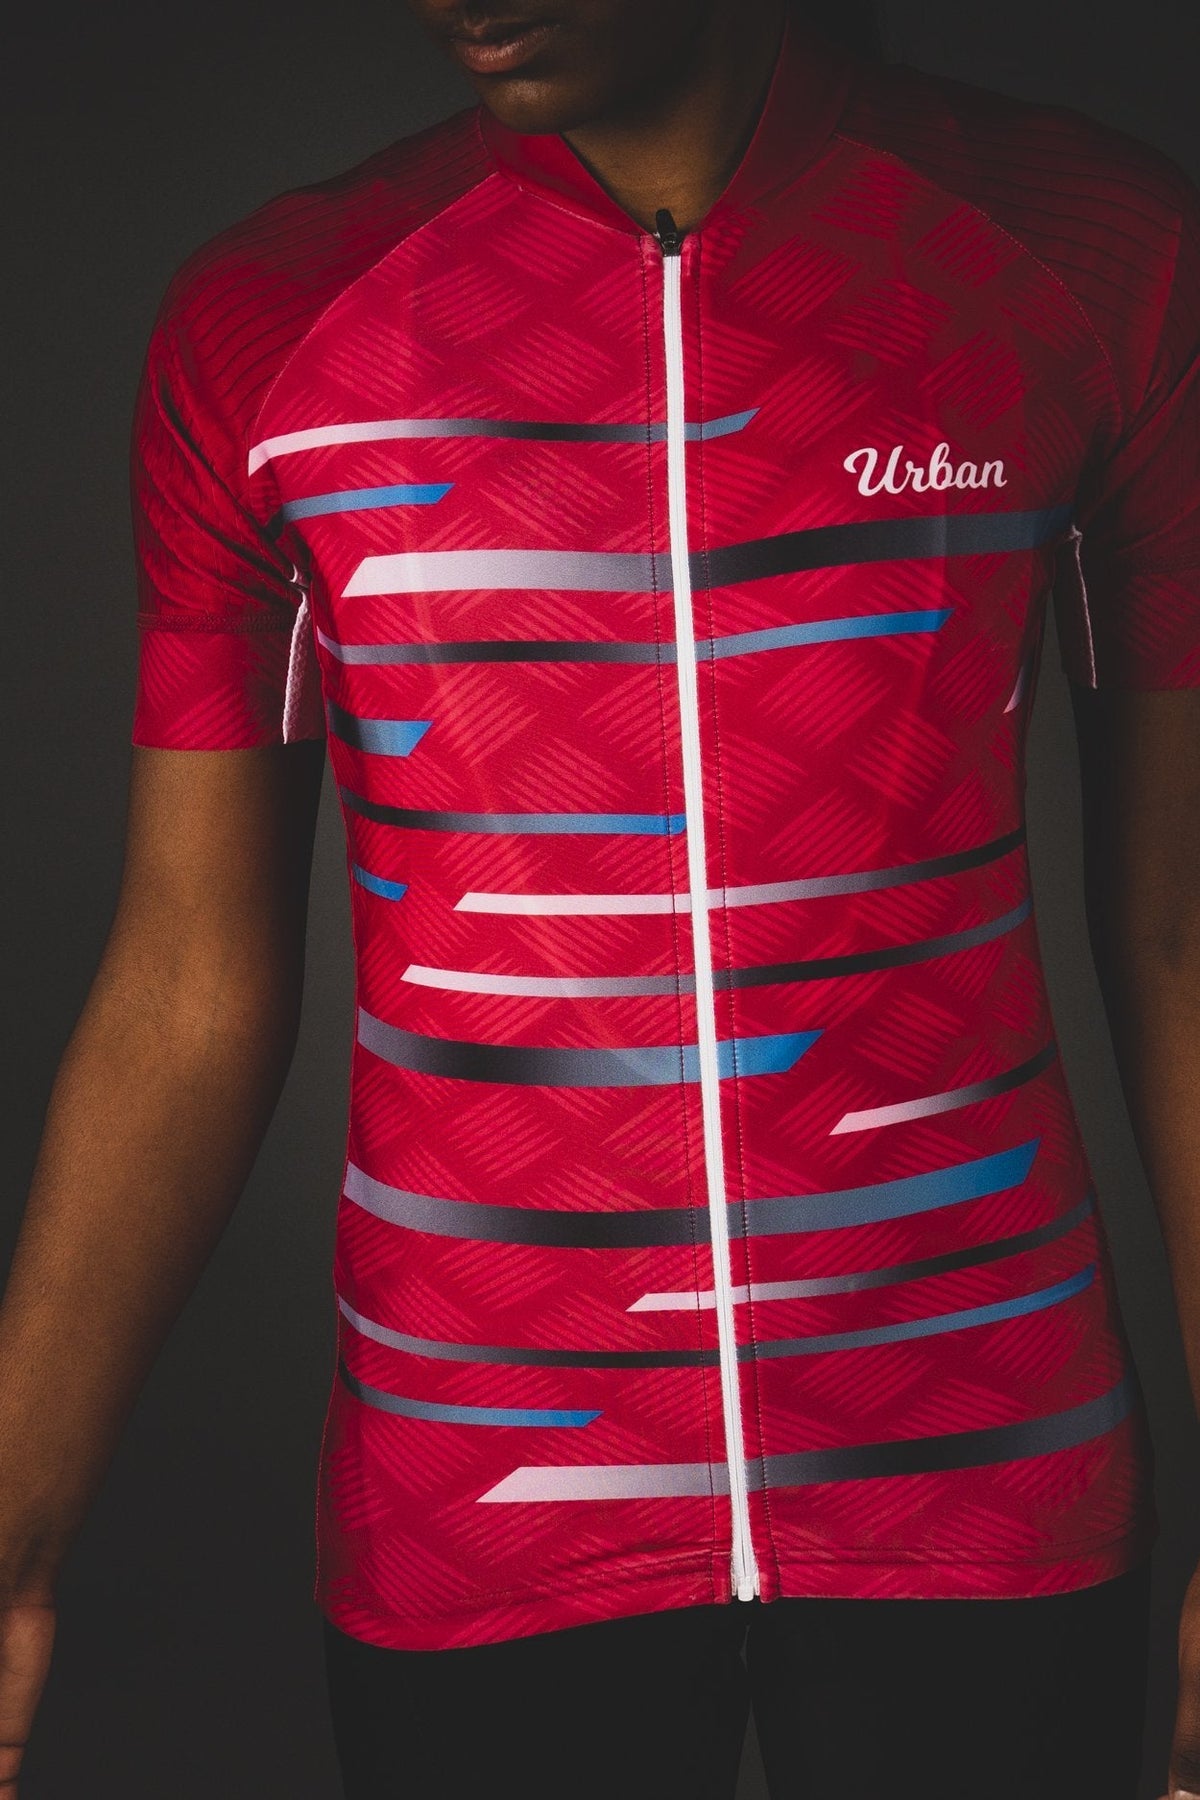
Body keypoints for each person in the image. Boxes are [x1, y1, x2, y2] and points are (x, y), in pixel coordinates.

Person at [2, 0, 1198, 1794]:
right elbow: (187, 977)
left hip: (979, 1460)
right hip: (478, 1491)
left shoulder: (1087, 255)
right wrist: (11, 1524)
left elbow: (1181, 935)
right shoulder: (271, 323)